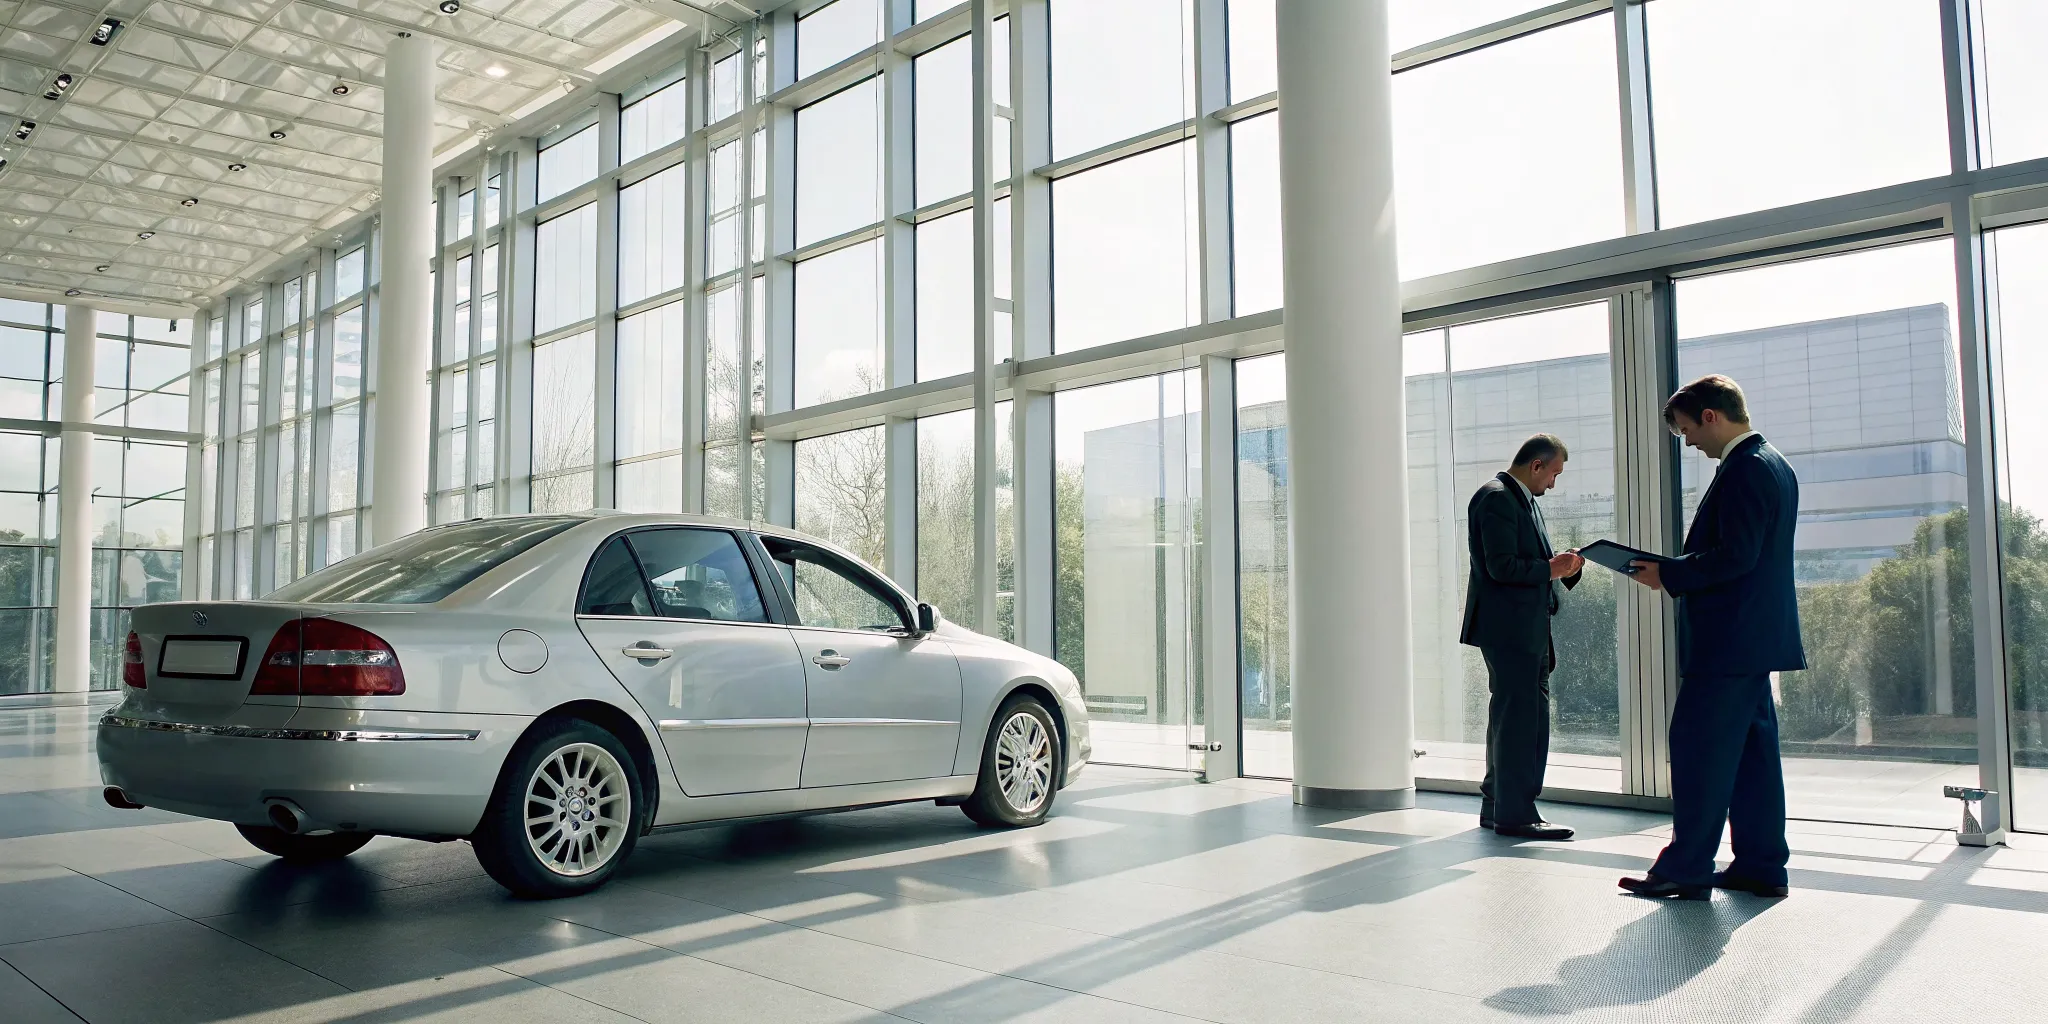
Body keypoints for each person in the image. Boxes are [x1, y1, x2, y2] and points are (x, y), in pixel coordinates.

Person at [1620, 374, 1803, 900]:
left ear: (1709, 416)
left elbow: (1736, 556)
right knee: (1753, 759)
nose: (1690, 443)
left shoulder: (1745, 469)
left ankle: (1687, 867)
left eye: (1685, 431)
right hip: (1754, 640)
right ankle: (1761, 865)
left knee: (1698, 748)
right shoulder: (1775, 464)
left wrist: (1669, 574)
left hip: (1728, 641)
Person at [1460, 434, 1584, 840]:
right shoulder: (1497, 498)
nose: (1553, 484)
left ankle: (1499, 806)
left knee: (1513, 719)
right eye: (1553, 474)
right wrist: (1551, 569)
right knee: (1521, 721)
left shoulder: (1519, 498)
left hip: (1523, 628)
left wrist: (1563, 566)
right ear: (1536, 465)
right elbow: (1501, 567)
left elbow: (1529, 560)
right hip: (1510, 630)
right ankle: (1516, 815)